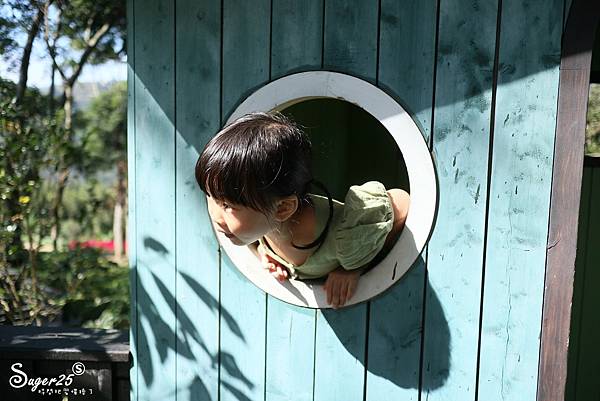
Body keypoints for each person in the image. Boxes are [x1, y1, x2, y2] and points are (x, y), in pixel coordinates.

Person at [195, 112, 410, 308]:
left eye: (228, 206)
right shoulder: (262, 223)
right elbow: (255, 230)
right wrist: (264, 252)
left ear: (283, 208)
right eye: (211, 197)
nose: (215, 215)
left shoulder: (345, 236)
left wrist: (353, 268)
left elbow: (402, 202)